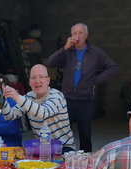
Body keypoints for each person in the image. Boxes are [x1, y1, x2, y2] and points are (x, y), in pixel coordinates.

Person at [2, 64, 76, 169]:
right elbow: (10, 115)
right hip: (39, 147)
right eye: (34, 78)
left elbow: (43, 112)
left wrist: (18, 97)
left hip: (63, 147)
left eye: (41, 77)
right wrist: (2, 99)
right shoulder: (28, 96)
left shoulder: (57, 95)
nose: (37, 81)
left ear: (48, 80)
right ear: (29, 82)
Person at [47, 22, 118, 152]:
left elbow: (112, 67)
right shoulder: (68, 52)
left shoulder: (95, 52)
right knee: (62, 132)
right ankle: (61, 158)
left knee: (85, 134)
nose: (77, 36)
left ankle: (86, 162)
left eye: (80, 33)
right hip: (66, 99)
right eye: (74, 33)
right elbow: (50, 63)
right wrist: (64, 48)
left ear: (86, 35)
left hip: (85, 100)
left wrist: (95, 80)